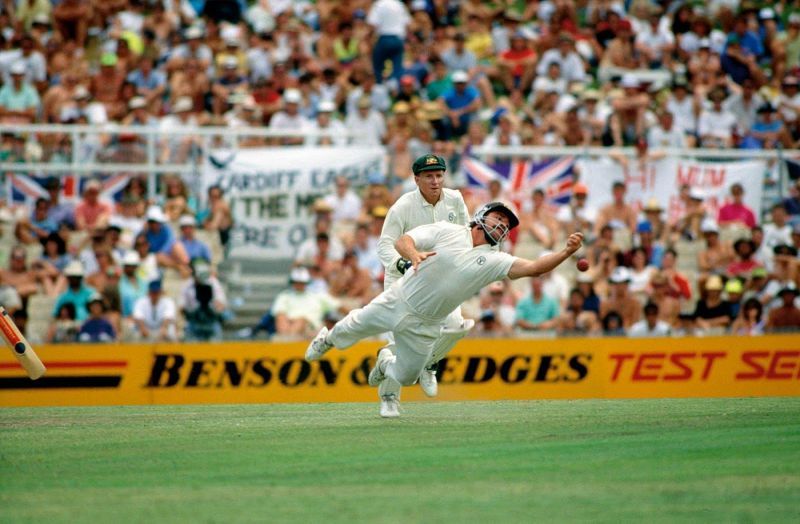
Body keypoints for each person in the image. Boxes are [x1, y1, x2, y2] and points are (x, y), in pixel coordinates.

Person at [305, 202, 583, 418]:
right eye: (499, 218)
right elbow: (403, 241)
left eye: (506, 224)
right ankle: (326, 338)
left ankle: (385, 362)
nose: (501, 225)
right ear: (483, 215)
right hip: (399, 298)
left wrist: (566, 253)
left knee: (406, 375)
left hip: (427, 323)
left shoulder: (496, 259)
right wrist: (414, 255)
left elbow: (534, 269)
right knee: (352, 328)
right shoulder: (448, 231)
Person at [376, 154, 470, 397]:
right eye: (429, 176)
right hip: (402, 278)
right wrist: (402, 264)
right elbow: (385, 245)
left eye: (439, 175)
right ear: (416, 179)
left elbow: (466, 237)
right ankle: (389, 397)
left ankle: (430, 364)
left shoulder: (455, 200)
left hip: (440, 278)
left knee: (455, 325)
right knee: (400, 345)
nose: (435, 181)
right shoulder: (403, 206)